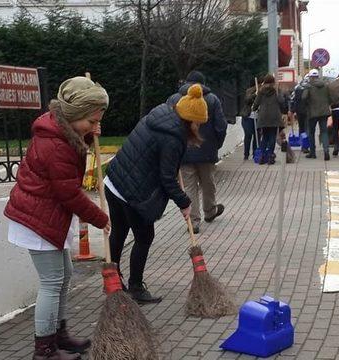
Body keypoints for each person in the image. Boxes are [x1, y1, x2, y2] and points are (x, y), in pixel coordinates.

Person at [4, 76, 111, 360]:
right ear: (74, 115)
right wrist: (100, 218)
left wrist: (87, 134)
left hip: (48, 215)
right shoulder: (56, 145)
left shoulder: (63, 133)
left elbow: (74, 154)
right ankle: (45, 350)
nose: (94, 126)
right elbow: (69, 194)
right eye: (91, 121)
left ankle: (58, 336)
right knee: (52, 282)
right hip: (37, 219)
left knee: (64, 277)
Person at [104, 84, 206, 304]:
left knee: (119, 232)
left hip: (113, 181)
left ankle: (112, 282)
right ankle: (136, 287)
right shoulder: (173, 138)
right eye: (198, 123)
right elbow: (167, 178)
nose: (199, 127)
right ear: (190, 120)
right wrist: (184, 202)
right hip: (132, 191)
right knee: (144, 237)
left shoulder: (161, 114)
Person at [167, 71, 227, 234]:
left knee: (189, 186)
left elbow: (168, 123)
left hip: (183, 150)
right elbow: (221, 125)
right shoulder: (212, 99)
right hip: (207, 149)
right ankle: (210, 211)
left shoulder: (174, 99)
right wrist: (216, 145)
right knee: (208, 182)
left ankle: (193, 221)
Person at [252, 74, 288, 165]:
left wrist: (254, 108)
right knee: (272, 136)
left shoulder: (261, 91)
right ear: (273, 82)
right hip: (274, 117)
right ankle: (271, 156)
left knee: (264, 137)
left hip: (263, 117)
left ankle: (262, 156)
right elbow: (282, 102)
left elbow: (256, 104)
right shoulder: (276, 90)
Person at [302, 69, 332, 160]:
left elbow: (303, 97)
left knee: (311, 132)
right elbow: (330, 98)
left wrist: (308, 103)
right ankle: (326, 151)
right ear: (318, 76)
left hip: (312, 112)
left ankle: (312, 152)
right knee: (324, 132)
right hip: (324, 112)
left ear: (311, 77)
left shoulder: (309, 86)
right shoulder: (325, 85)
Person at [240, 78, 259, 160]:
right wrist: (255, 94)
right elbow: (247, 100)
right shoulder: (249, 91)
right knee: (248, 135)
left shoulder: (262, 91)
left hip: (258, 117)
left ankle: (255, 153)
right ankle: (246, 154)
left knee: (257, 136)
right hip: (248, 117)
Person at [290, 79, 310, 153]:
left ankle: (302, 144)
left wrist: (292, 110)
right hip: (308, 111)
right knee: (307, 128)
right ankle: (306, 145)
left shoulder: (297, 88)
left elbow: (292, 100)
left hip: (299, 111)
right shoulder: (309, 88)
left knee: (301, 128)